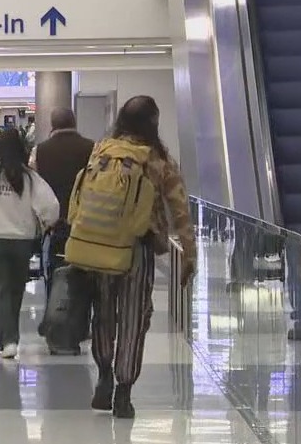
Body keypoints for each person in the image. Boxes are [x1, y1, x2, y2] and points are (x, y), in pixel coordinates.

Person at [85, 96, 195, 419]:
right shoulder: (158, 159)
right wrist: (188, 255)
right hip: (139, 249)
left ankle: (104, 373)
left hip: (102, 244)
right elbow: (180, 210)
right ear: (153, 123)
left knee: (103, 312)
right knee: (134, 318)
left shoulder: (102, 150)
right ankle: (124, 393)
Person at [0, 129, 59, 359]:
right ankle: (10, 337)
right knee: (15, 291)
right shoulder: (27, 176)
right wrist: (45, 224)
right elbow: (51, 206)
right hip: (21, 242)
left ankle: (7, 340)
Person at [29, 108, 95, 296]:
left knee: (55, 271)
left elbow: (34, 187)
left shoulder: (39, 151)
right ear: (74, 122)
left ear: (52, 124)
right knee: (85, 276)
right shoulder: (93, 148)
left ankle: (56, 312)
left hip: (54, 224)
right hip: (85, 223)